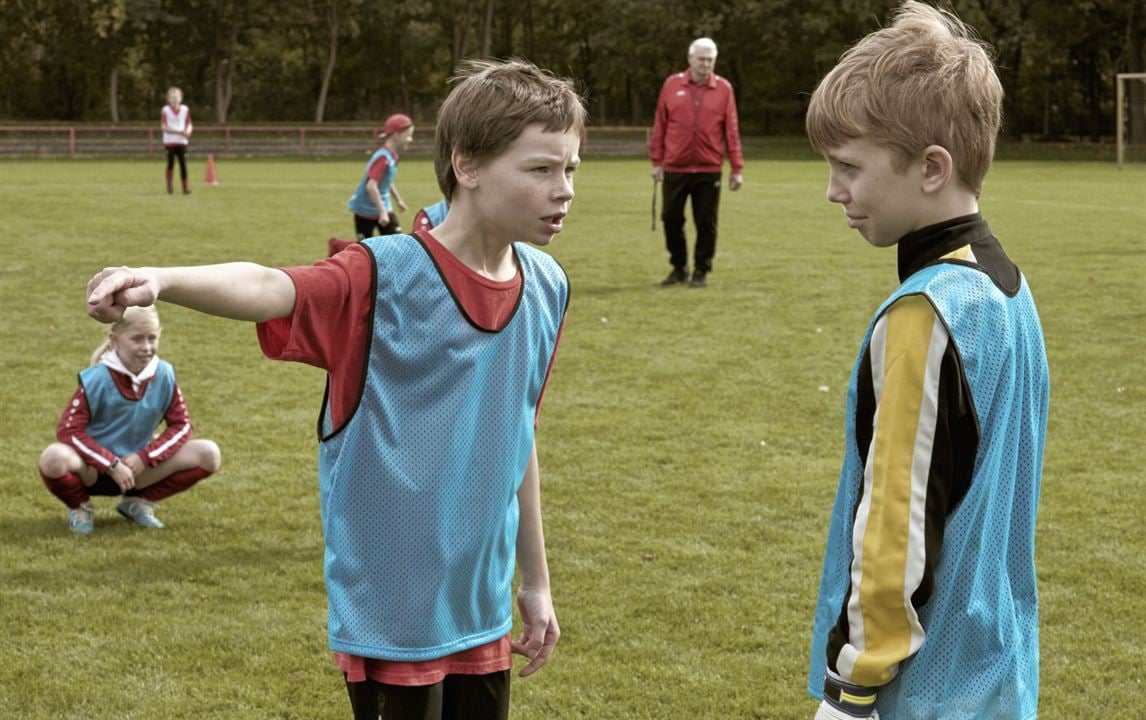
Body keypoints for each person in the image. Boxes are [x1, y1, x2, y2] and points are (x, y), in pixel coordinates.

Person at [86, 58, 584, 720]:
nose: (565, 190)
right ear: (467, 165)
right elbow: (271, 286)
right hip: (394, 618)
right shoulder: (380, 277)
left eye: (571, 169)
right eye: (541, 169)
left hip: (482, 608)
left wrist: (537, 584)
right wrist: (161, 278)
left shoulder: (548, 286)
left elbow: (517, 437)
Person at [803, 3, 1049, 719]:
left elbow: (897, 525)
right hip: (996, 672)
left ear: (932, 168)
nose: (833, 190)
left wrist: (851, 688)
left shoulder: (926, 314)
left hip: (922, 691)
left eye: (849, 167)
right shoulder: (1009, 289)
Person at [38, 306, 221, 534]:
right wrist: (110, 464)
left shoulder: (164, 374)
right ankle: (80, 507)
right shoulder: (97, 378)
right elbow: (68, 430)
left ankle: (137, 503)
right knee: (53, 457)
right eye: (137, 339)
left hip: (137, 471)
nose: (146, 347)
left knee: (208, 454)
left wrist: (146, 456)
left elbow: (182, 425)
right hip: (93, 470)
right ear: (115, 340)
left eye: (152, 338)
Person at [648, 37, 744, 288]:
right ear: (690, 59)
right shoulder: (671, 85)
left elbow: (731, 130)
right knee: (670, 217)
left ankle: (701, 269)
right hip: (674, 166)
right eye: (701, 59)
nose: (705, 64)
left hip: (709, 168)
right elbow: (660, 125)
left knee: (705, 222)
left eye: (710, 60)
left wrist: (737, 168)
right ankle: (679, 267)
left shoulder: (724, 89)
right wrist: (656, 161)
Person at [348, 113, 415, 240]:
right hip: (365, 211)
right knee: (365, 249)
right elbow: (371, 186)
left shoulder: (392, 156)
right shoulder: (383, 157)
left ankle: (337, 244)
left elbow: (386, 181)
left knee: (398, 243)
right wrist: (382, 211)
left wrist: (398, 200)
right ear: (396, 135)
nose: (411, 139)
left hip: (382, 207)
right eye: (408, 136)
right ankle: (337, 245)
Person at [161, 86, 193, 195]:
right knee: (170, 164)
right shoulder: (165, 110)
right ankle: (169, 187)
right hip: (170, 142)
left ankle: (185, 188)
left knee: (183, 164)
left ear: (181, 98)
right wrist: (179, 132)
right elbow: (164, 127)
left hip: (182, 142)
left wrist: (188, 132)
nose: (174, 99)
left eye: (176, 97)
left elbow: (189, 124)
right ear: (168, 99)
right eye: (172, 97)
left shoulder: (185, 109)